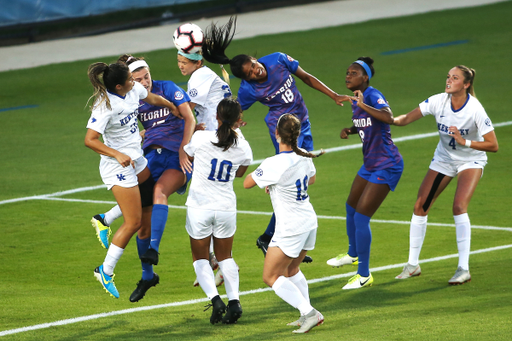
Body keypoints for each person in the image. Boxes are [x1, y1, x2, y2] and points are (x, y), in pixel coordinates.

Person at [202, 16, 351, 262]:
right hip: (282, 131)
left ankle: (271, 236)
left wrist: (333, 94)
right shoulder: (249, 90)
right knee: (296, 181)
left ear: (255, 58)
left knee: (304, 181)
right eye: (250, 72)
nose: (256, 70)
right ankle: (278, 238)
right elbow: (234, 110)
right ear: (247, 79)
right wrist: (229, 124)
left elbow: (306, 77)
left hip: (303, 122)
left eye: (254, 64)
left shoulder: (278, 59)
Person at [90, 55, 196, 302]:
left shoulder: (134, 90)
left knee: (146, 208)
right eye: (132, 79)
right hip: (119, 166)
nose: (138, 82)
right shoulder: (105, 106)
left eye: (141, 77)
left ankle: (105, 220)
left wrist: (170, 106)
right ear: (120, 86)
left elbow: (152, 98)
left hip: (138, 160)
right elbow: (89, 140)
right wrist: (116, 154)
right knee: (134, 222)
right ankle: (105, 270)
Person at [393, 65, 498, 284]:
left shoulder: (475, 109)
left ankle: (463, 268)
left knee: (459, 207)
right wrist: (378, 114)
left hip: (471, 159)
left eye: (455, 78)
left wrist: (465, 142)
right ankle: (412, 265)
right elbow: (403, 119)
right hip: (444, 159)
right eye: (448, 77)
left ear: (466, 84)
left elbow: (493, 144)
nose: (449, 80)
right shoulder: (437, 101)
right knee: (420, 206)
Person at [326, 57, 404, 290]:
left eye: (353, 73)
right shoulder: (357, 99)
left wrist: (363, 106)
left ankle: (364, 275)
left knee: (361, 217)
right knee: (350, 207)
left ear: (365, 77)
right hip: (369, 164)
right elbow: (367, 123)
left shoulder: (370, 95)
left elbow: (388, 117)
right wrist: (350, 129)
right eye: (347, 72)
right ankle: (352, 255)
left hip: (387, 164)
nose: (348, 76)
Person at [243, 114, 324, 334]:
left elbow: (247, 183)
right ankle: (304, 315)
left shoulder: (274, 163)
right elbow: (311, 179)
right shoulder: (304, 156)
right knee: (291, 269)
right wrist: (277, 183)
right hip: (308, 222)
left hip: (291, 227)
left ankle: (310, 313)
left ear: (276, 134)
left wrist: (271, 180)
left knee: (270, 276)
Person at [184, 97, 253, 324]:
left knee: (200, 257)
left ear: (216, 116)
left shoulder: (202, 138)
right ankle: (235, 302)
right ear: (238, 120)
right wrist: (237, 132)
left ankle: (215, 300)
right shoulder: (243, 145)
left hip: (199, 206)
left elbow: (189, 155)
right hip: (225, 207)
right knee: (226, 257)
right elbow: (241, 172)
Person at [176, 42, 236, 286]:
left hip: (210, 142)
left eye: (184, 62)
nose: (181, 66)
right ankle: (217, 263)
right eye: (178, 62)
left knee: (201, 202)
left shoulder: (200, 75)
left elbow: (185, 109)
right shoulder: (206, 74)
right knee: (209, 202)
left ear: (197, 62)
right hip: (220, 139)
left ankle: (216, 263)